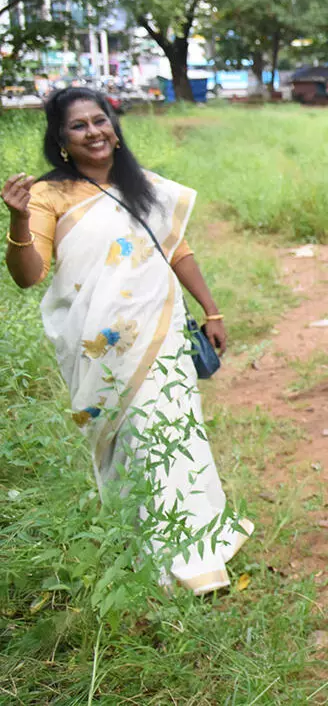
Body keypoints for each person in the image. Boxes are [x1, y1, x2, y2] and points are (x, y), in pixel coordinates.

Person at [3, 87, 252, 595]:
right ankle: (147, 559)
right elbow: (30, 276)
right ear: (61, 141)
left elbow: (177, 250)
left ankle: (198, 556)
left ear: (114, 129)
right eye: (79, 126)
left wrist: (212, 308)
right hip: (101, 351)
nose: (94, 132)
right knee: (135, 444)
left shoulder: (144, 186)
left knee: (176, 437)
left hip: (160, 340)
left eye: (101, 121)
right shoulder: (49, 196)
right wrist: (18, 218)